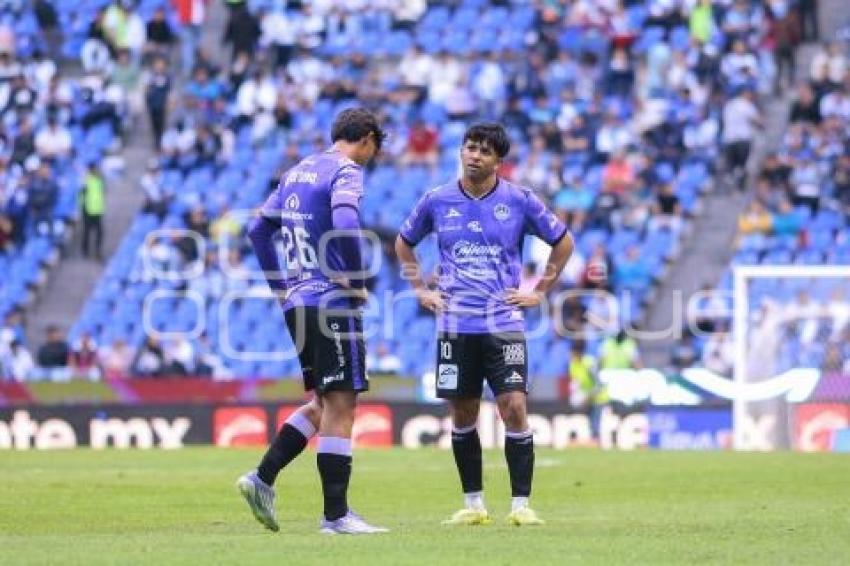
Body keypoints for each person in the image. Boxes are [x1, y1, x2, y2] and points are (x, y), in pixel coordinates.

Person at [395, 123, 574, 526]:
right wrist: (420, 289)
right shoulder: (436, 200)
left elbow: (563, 242)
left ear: (499, 161)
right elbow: (403, 242)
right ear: (461, 151)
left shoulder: (520, 200)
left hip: (503, 322)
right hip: (455, 325)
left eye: (485, 151)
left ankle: (521, 506)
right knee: (463, 413)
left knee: (514, 406)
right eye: (470, 148)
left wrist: (539, 291)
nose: (475, 155)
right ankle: (473, 505)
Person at [237, 108, 387, 535]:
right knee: (341, 405)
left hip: (299, 300)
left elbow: (258, 230)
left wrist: (280, 287)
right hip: (331, 300)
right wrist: (355, 277)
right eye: (374, 148)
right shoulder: (346, 170)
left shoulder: (297, 172)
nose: (372, 158)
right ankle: (336, 516)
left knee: (323, 404)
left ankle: (262, 478)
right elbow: (346, 219)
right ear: (367, 138)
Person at [80, 162, 106, 260]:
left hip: (97, 210)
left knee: (100, 232)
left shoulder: (100, 180)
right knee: (87, 231)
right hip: (87, 210)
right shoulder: (85, 181)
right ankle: (85, 250)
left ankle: (97, 250)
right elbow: (81, 195)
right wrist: (82, 208)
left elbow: (102, 193)